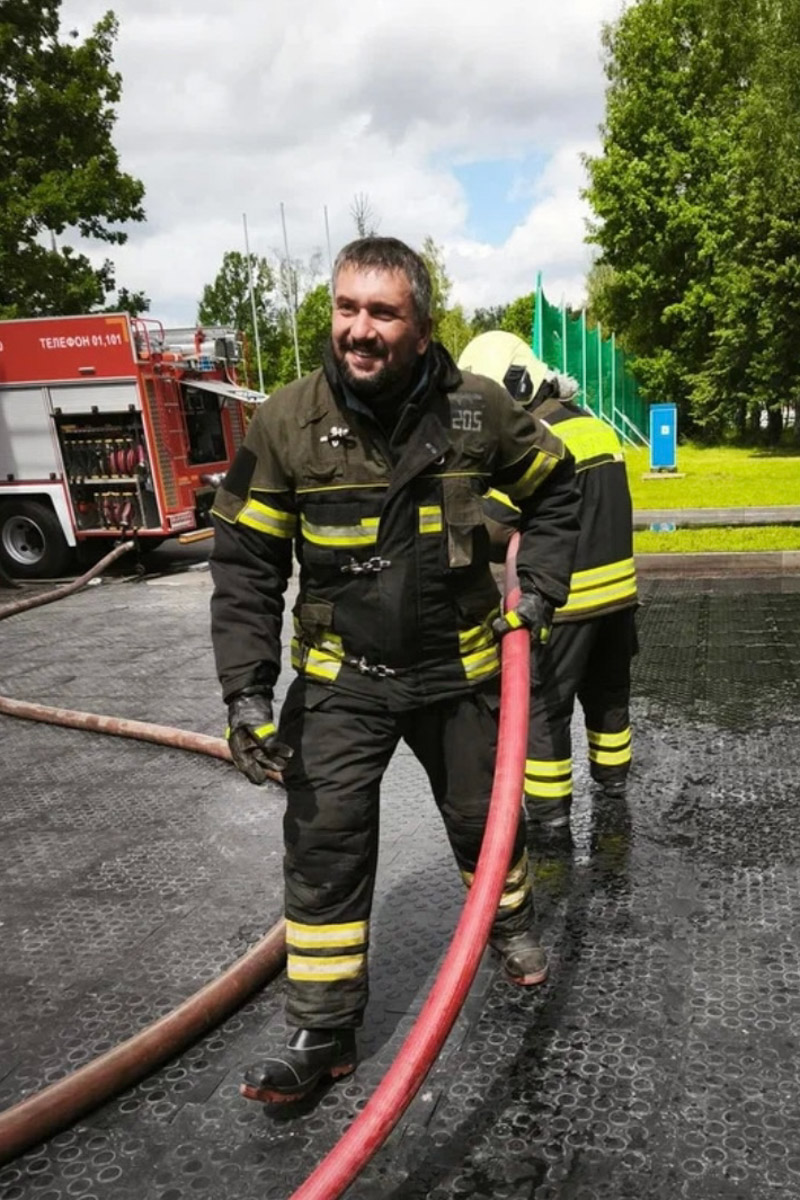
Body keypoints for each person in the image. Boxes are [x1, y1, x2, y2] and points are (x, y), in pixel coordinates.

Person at [208, 237, 581, 1104]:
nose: (359, 330)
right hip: (343, 680)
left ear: (422, 326)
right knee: (323, 844)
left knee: (484, 818)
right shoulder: (287, 422)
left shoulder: (476, 411)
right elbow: (246, 565)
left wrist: (544, 590)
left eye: (382, 312)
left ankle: (511, 924)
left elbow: (558, 489)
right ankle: (323, 1029)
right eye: (346, 309)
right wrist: (248, 691)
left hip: (459, 672)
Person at [484, 370, 639, 843]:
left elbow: (497, 522)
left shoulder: (539, 441)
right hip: (618, 595)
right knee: (609, 696)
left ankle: (551, 817)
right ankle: (613, 787)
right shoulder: (597, 428)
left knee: (545, 708)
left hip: (566, 601)